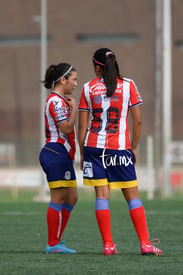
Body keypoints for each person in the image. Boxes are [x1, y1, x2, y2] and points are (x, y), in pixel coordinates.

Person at [78, 48, 162, 256]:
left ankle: (108, 245)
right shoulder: (128, 85)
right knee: (132, 195)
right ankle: (145, 244)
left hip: (93, 148)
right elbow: (138, 121)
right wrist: (134, 146)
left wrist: (82, 153)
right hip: (119, 148)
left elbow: (82, 127)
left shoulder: (88, 88)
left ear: (97, 67)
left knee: (101, 195)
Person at [39, 63, 78, 254]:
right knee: (59, 197)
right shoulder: (55, 101)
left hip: (60, 154)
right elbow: (66, 129)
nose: (76, 84)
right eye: (73, 79)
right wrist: (75, 111)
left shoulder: (60, 100)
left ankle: (56, 240)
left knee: (72, 197)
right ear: (63, 80)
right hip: (55, 152)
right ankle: (53, 244)